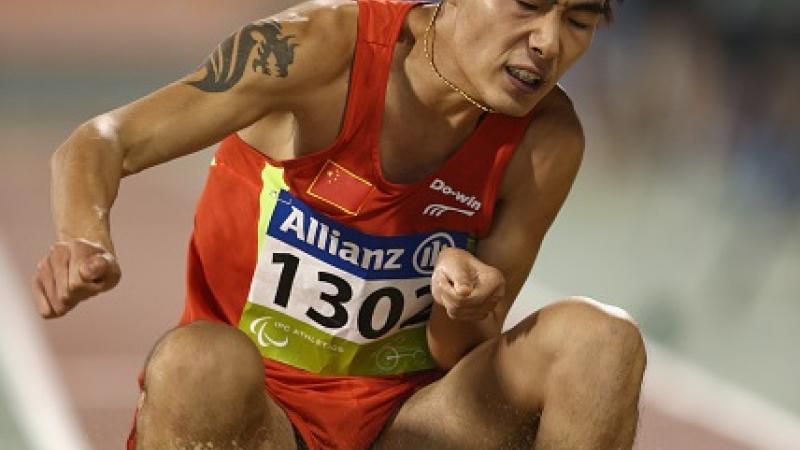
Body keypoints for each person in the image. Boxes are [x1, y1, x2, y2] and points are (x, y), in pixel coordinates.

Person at [32, 0, 646, 448]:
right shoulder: (316, 50)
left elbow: (460, 354)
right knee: (197, 362)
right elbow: (103, 140)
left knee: (603, 342)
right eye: (528, 6)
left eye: (579, 21)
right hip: (258, 420)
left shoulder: (546, 140)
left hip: (408, 425)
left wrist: (461, 305)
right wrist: (83, 238)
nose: (548, 42)